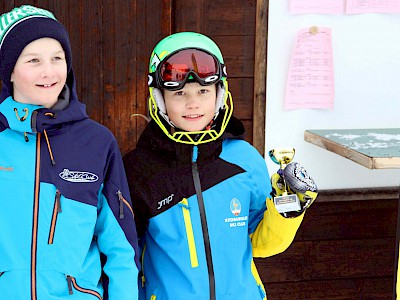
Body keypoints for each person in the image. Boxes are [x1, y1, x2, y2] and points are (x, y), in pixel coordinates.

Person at [123, 31, 318, 300]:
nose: (193, 103)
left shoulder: (244, 160)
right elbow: (124, 257)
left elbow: (262, 244)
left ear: (219, 94)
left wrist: (287, 209)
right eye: (179, 93)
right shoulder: (138, 171)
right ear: (159, 99)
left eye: (203, 91)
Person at [0, 5, 139, 299]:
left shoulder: (97, 143)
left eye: (57, 58)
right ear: (9, 70)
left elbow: (121, 249)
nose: (49, 71)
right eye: (33, 60)